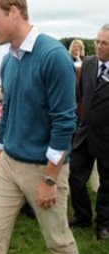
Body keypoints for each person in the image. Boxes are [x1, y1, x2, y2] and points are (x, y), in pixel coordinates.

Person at [0, 1, 85, 254]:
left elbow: (64, 124)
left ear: (15, 12)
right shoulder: (8, 60)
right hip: (9, 165)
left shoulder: (53, 57)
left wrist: (49, 180)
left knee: (58, 241)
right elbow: (8, 116)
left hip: (42, 170)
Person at [68, 24, 109, 240]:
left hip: (107, 138)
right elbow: (79, 93)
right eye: (97, 41)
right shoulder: (89, 63)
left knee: (107, 184)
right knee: (75, 176)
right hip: (84, 133)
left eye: (104, 43)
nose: (99, 46)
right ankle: (82, 216)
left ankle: (104, 225)